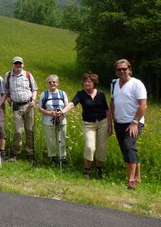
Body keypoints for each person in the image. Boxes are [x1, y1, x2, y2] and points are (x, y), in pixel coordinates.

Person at [61, 72, 112, 179]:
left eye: (89, 81)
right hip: (88, 124)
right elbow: (72, 103)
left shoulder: (101, 94)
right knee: (90, 147)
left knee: (102, 147)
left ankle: (99, 169)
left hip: (102, 123)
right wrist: (63, 111)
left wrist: (110, 126)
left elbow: (107, 110)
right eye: (84, 81)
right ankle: (87, 170)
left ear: (94, 83)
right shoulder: (80, 94)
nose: (86, 83)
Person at [110, 59, 147, 190]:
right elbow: (112, 102)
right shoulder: (114, 83)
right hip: (119, 122)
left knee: (129, 146)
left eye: (124, 69)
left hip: (133, 122)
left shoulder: (137, 84)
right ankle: (137, 176)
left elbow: (143, 104)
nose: (122, 71)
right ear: (116, 71)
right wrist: (112, 120)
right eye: (119, 69)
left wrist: (135, 122)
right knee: (126, 149)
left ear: (129, 69)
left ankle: (131, 180)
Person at [5, 56, 38, 164]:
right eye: (16, 64)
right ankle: (15, 153)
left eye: (20, 64)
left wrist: (33, 99)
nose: (18, 66)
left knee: (29, 130)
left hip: (29, 106)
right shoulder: (8, 75)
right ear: (13, 65)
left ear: (23, 65)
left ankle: (30, 154)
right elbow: (6, 89)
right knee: (18, 131)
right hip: (16, 107)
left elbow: (35, 89)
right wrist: (8, 98)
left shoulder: (28, 75)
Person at [38, 75, 69, 166]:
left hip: (62, 120)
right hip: (48, 121)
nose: (52, 84)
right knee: (50, 140)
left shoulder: (63, 94)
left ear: (57, 83)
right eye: (50, 82)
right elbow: (40, 108)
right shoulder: (44, 94)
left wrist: (61, 114)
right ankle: (52, 157)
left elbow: (67, 107)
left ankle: (62, 158)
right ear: (47, 84)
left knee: (62, 140)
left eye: (54, 82)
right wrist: (50, 113)